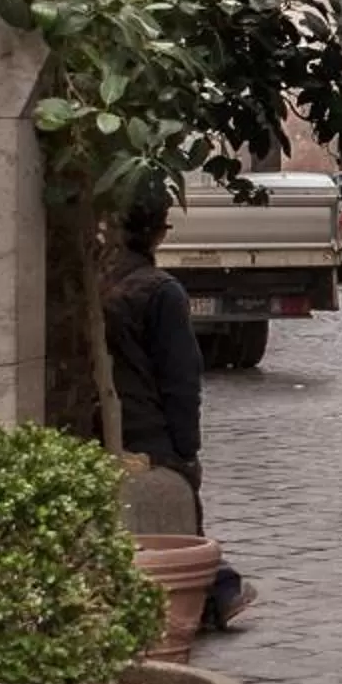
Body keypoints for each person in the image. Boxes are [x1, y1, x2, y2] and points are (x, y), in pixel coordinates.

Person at [102, 186, 255, 629]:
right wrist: (187, 449)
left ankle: (216, 589)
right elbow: (181, 380)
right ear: (159, 232)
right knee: (181, 515)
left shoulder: (102, 282)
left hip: (116, 417)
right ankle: (215, 591)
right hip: (149, 427)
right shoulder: (159, 291)